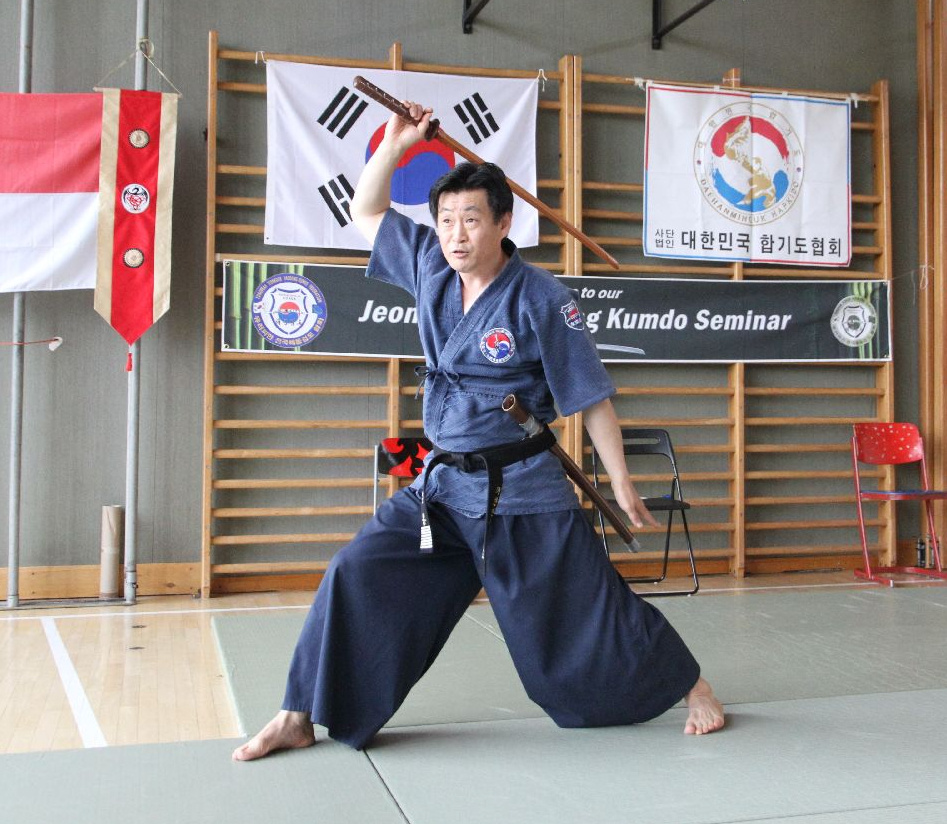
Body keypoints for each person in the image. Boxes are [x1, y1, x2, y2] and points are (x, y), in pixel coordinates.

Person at [232, 102, 724, 762]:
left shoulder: (542, 298)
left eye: (470, 219)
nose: (455, 234)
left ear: (502, 222)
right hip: (441, 490)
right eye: (444, 220)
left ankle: (691, 685)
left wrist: (622, 480)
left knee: (584, 609)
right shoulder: (430, 268)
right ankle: (297, 713)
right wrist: (397, 145)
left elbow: (590, 396)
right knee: (357, 570)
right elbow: (366, 209)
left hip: (521, 492)